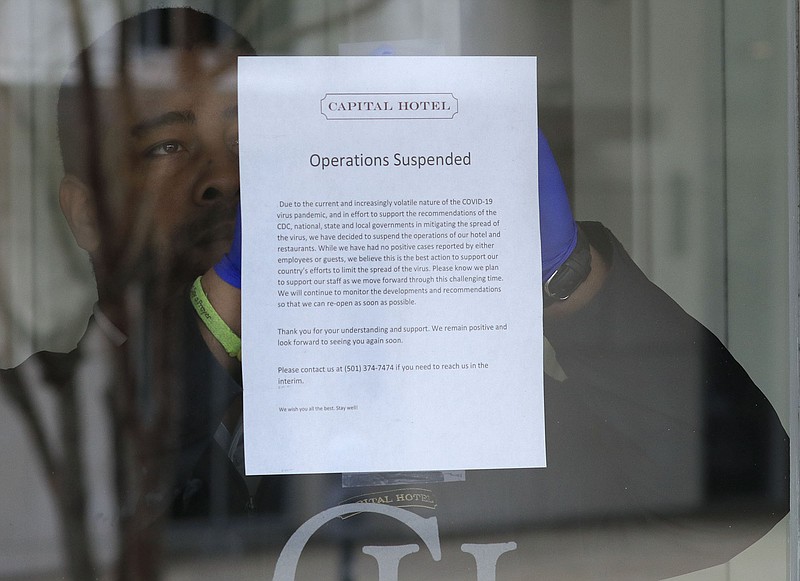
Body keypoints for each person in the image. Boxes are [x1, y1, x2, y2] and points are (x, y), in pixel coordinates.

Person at [1, 7, 789, 580]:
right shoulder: (30, 427)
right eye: (169, 146)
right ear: (85, 214)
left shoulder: (451, 396)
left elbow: (737, 488)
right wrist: (225, 306)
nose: (227, 177)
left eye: (251, 138)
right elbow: (70, 523)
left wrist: (559, 271)